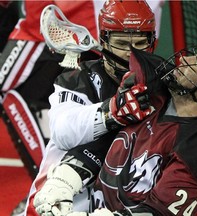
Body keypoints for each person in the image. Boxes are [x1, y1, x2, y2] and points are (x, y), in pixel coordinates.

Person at [33, 38, 197, 216]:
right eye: (194, 54)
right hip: (93, 202)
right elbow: (105, 142)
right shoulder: (150, 87)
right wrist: (64, 180)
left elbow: (156, 213)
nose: (185, 60)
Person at [24, 1, 160, 215]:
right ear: (104, 40)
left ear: (153, 41)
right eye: (121, 43)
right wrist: (112, 111)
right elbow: (62, 133)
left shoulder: (160, 87)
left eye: (140, 42)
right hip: (60, 202)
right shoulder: (79, 80)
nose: (130, 52)